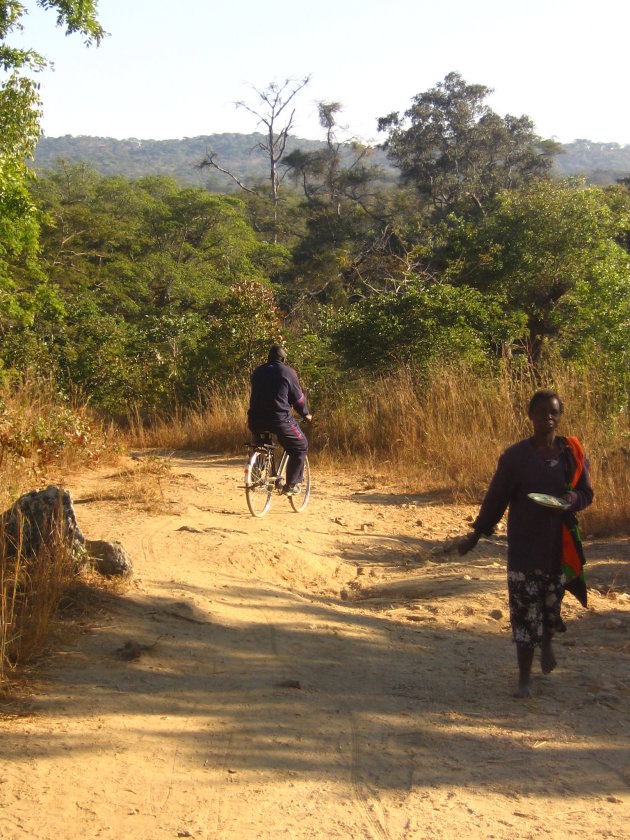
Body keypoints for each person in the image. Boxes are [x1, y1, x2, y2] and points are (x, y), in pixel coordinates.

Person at [458, 390, 593, 698]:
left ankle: (546, 644)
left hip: (559, 548)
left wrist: (572, 500)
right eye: (541, 411)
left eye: (554, 412)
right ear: (529, 416)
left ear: (560, 417)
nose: (548, 416)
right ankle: (524, 680)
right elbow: (496, 498)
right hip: (524, 549)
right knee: (523, 613)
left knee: (551, 605)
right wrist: (477, 534)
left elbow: (586, 493)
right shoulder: (516, 458)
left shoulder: (571, 454)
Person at [248, 345, 312, 496]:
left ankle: (257, 474)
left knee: (262, 443)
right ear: (283, 359)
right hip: (279, 420)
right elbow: (298, 399)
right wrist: (305, 414)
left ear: (268, 359)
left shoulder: (257, 372)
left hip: (255, 420)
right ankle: (292, 484)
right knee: (300, 445)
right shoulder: (288, 372)